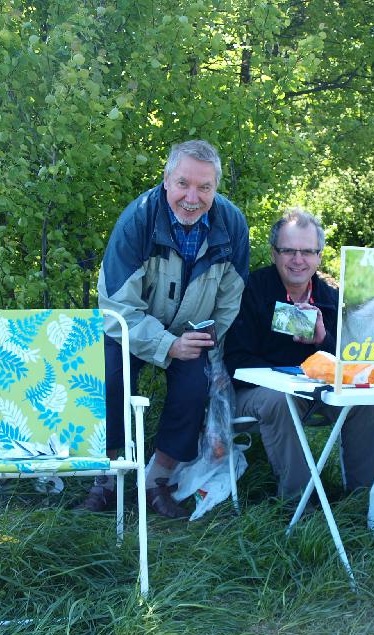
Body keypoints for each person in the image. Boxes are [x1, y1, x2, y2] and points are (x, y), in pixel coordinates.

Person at [92, 140, 250, 519]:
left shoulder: (232, 225)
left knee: (195, 388)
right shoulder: (138, 221)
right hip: (131, 325)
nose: (192, 198)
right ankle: (106, 478)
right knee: (108, 378)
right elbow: (116, 307)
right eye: (183, 184)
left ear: (216, 188)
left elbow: (231, 299)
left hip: (190, 328)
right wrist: (166, 344)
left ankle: (156, 479)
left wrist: (206, 342)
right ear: (166, 181)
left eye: (204, 187)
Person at [224, 209, 374, 500]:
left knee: (364, 402)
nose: (298, 260)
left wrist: (321, 340)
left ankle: (365, 499)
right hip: (256, 393)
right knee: (280, 400)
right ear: (274, 253)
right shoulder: (250, 290)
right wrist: (287, 379)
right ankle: (301, 502)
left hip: (315, 391)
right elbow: (235, 359)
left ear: (319, 256)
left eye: (307, 252)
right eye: (289, 251)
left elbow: (349, 361)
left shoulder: (330, 299)